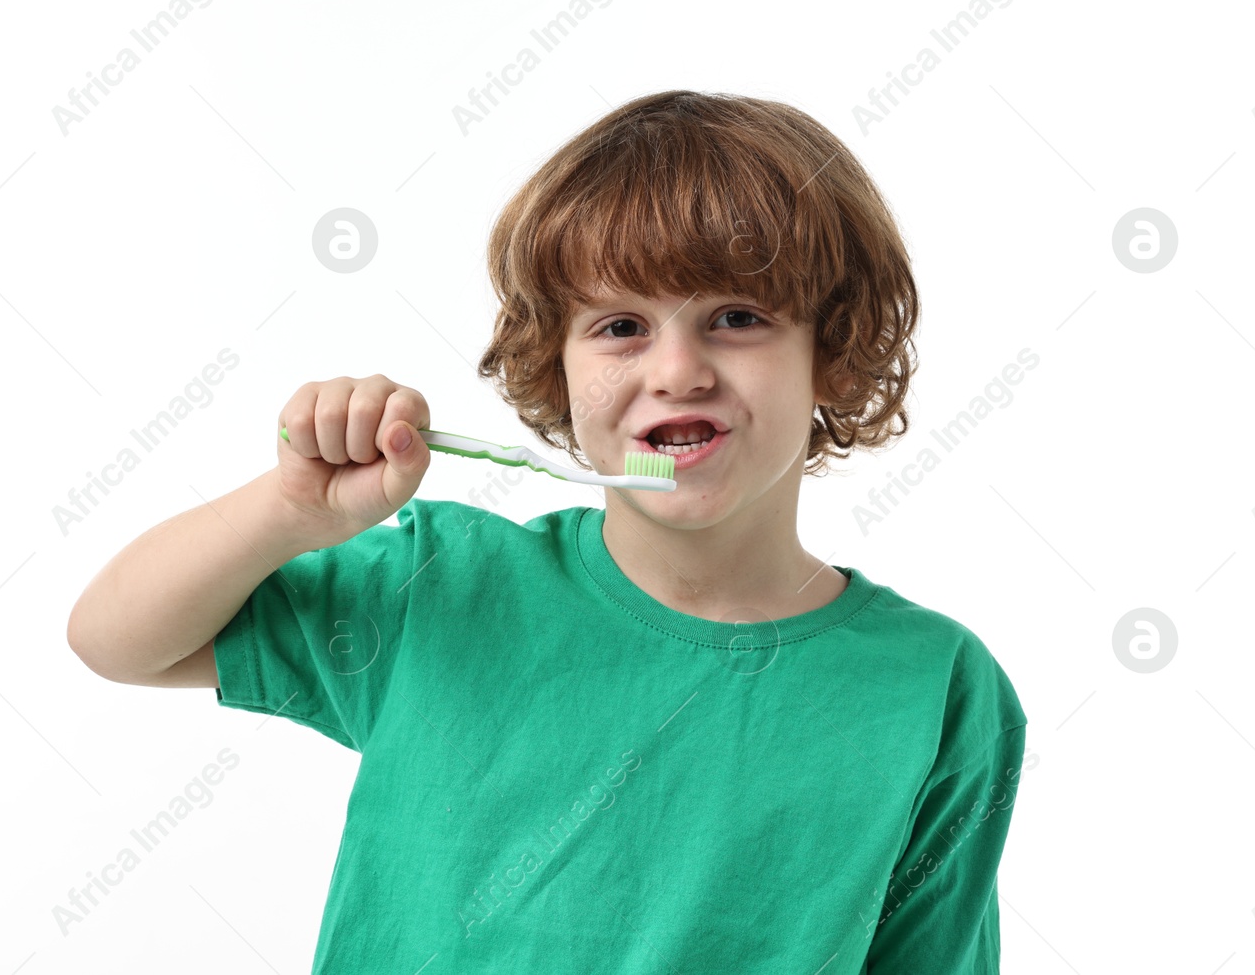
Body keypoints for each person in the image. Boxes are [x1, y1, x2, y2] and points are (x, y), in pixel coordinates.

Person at [67, 89, 1029, 973]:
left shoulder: (936, 687)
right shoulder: (438, 588)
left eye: (736, 316)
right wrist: (288, 512)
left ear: (834, 351)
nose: (678, 369)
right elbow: (115, 639)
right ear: (555, 366)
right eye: (619, 326)